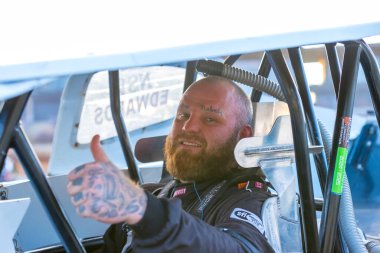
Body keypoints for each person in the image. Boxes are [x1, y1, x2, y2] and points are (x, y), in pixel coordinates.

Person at [67, 76, 275, 252]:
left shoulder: (248, 199)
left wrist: (143, 210)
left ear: (243, 135)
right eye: (183, 115)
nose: (188, 126)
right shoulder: (154, 194)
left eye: (210, 119)